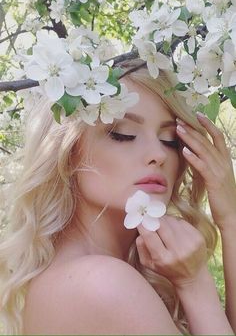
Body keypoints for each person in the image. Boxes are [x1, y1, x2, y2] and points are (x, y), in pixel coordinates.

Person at [0, 58, 236, 335]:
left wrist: (230, 219)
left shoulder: (84, 273)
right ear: (67, 153)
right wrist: (195, 284)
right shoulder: (102, 283)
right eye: (122, 134)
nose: (158, 155)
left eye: (170, 140)